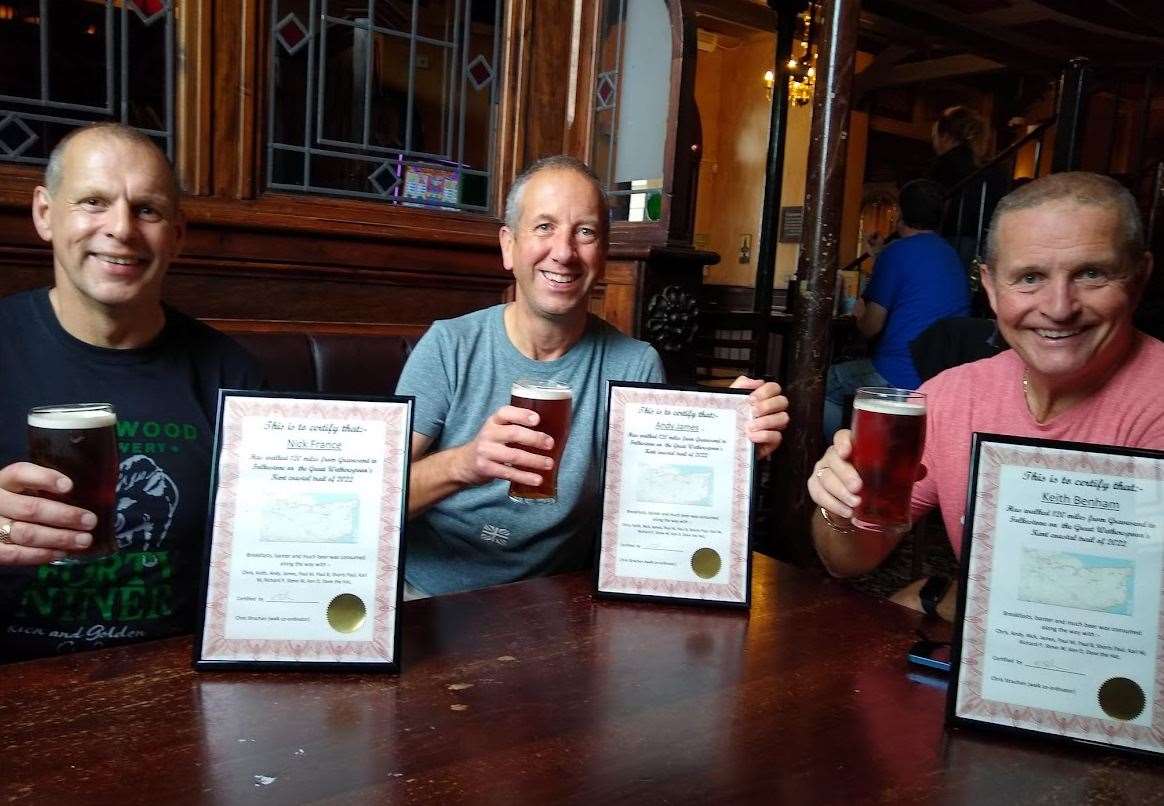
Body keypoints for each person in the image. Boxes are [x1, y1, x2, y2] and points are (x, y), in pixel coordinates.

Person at [396, 156, 789, 597]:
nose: (563, 252)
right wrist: (465, 464)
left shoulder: (635, 364)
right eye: (544, 227)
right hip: (425, 594)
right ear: (508, 246)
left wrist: (726, 445)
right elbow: (380, 499)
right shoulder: (450, 345)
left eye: (585, 232)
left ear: (602, 255)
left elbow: (657, 513)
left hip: (556, 601)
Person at [809, 172, 1164, 620]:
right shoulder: (950, 397)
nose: (1058, 307)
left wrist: (960, 599)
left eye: (1091, 274)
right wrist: (838, 510)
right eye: (1030, 278)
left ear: (1140, 278)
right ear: (992, 288)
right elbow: (849, 560)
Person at [0, 123, 262, 661]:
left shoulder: (232, 373)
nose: (121, 228)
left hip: (174, 681)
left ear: (177, 235)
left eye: (147, 210)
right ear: (45, 214)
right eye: (93, 202)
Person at [823, 179, 970, 438]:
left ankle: (841, 455)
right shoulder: (952, 255)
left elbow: (871, 327)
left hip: (898, 374)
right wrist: (880, 254)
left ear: (900, 214)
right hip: (941, 378)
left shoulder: (897, 253)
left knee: (828, 381)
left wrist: (859, 316)